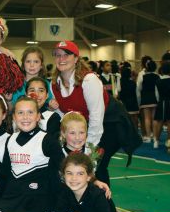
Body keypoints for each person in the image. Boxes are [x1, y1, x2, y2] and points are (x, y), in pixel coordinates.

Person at [50, 40, 141, 186]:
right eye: (58, 55)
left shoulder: (89, 80)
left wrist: (89, 151)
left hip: (112, 123)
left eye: (67, 55)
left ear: (76, 58)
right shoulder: (54, 84)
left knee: (96, 166)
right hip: (85, 126)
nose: (62, 59)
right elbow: (63, 114)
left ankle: (104, 205)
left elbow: (96, 119)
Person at [137, 59, 159, 143]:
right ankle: (154, 136)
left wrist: (139, 100)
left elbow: (139, 89)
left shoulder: (143, 76)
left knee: (146, 118)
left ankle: (148, 137)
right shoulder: (157, 76)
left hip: (145, 99)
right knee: (154, 118)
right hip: (154, 98)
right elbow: (158, 89)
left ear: (146, 67)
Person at [153, 61, 170, 149]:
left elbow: (157, 95)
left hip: (161, 102)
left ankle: (156, 141)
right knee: (169, 122)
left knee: (159, 122)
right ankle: (168, 141)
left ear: (162, 71)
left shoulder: (158, 81)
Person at [119, 67, 139, 131]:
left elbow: (119, 93)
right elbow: (136, 93)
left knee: (125, 119)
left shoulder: (120, 82)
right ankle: (135, 132)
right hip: (133, 102)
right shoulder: (133, 83)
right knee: (134, 118)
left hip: (124, 102)